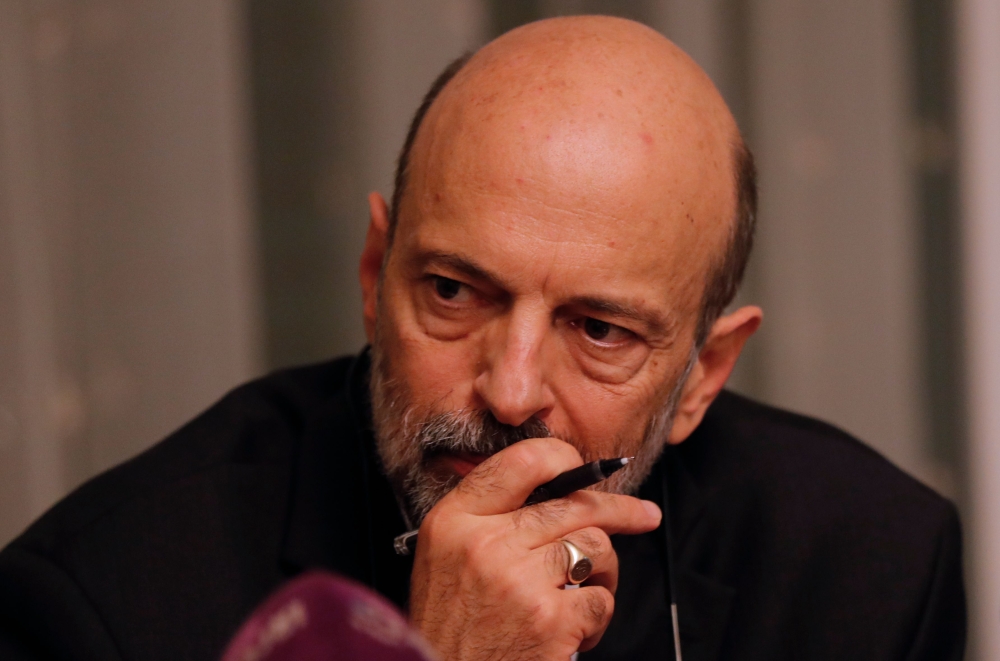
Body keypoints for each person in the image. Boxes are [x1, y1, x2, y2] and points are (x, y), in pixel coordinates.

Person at [0, 16, 964, 661]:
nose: (508, 393)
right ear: (376, 276)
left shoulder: (866, 565)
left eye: (598, 329)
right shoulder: (105, 602)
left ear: (705, 374)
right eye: (455, 291)